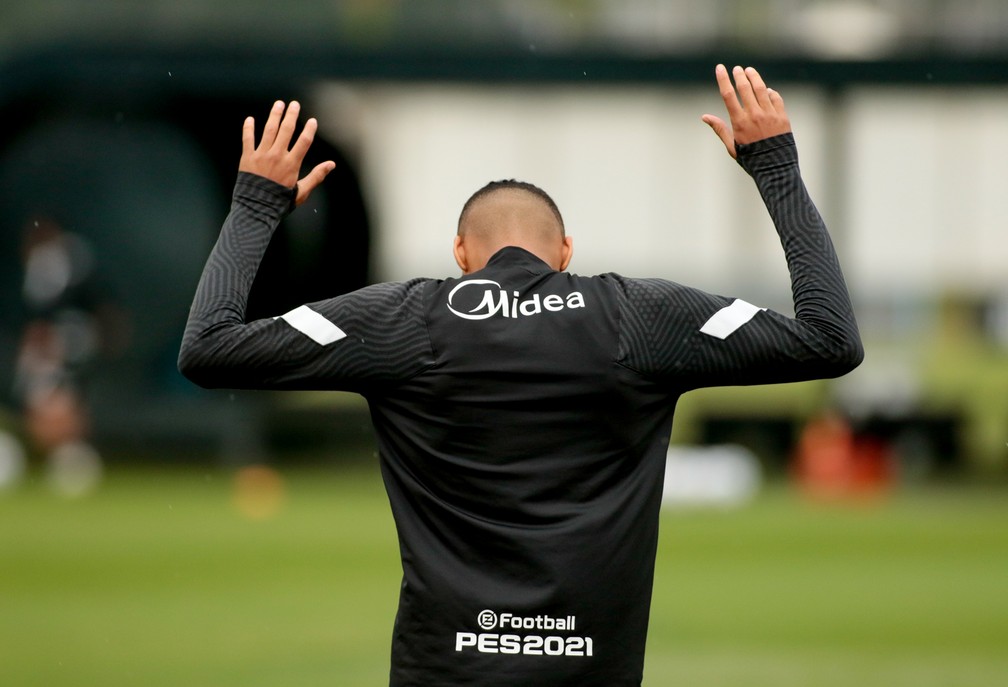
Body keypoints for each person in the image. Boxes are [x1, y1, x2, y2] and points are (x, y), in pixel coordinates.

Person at [179, 64, 863, 686]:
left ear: (459, 253)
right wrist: (775, 168)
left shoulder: (403, 319)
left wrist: (255, 208)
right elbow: (830, 338)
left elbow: (209, 348)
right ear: (566, 251)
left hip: (443, 671)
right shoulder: (640, 316)